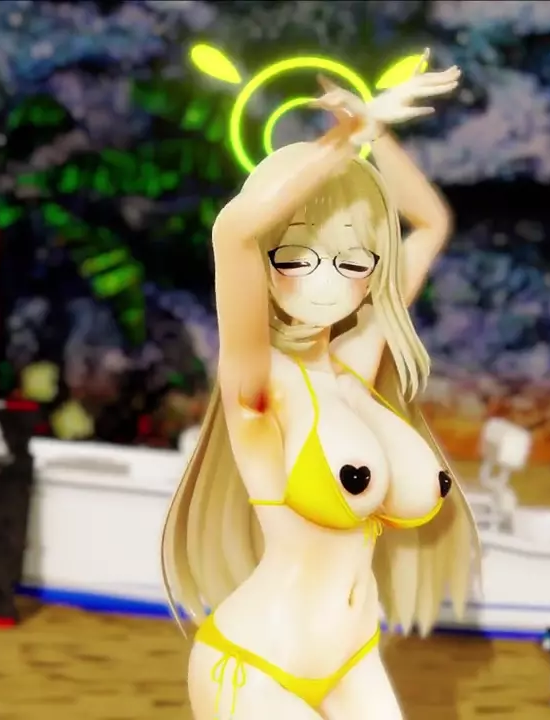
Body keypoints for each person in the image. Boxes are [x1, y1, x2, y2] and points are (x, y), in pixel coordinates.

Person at [161, 54, 478, 720]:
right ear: (267, 263)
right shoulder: (258, 382)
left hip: (353, 659)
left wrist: (376, 134)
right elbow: (232, 232)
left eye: (352, 260)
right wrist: (341, 140)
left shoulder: (354, 369)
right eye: (297, 257)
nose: (327, 281)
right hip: (253, 668)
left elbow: (430, 224)